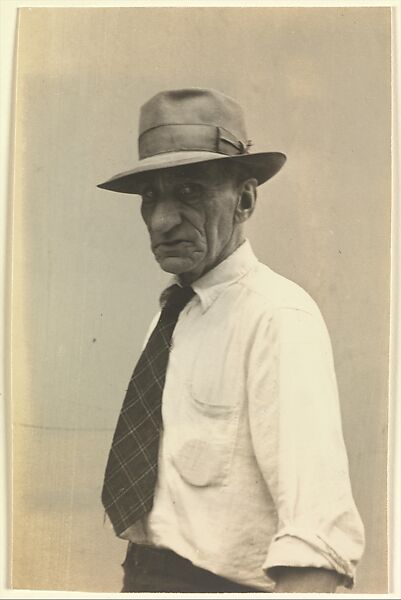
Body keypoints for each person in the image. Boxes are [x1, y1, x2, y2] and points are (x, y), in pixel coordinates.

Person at [98, 88, 365, 593]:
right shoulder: (173, 315)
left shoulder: (277, 318)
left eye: (190, 192)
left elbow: (317, 539)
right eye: (150, 196)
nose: (160, 221)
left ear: (243, 200)